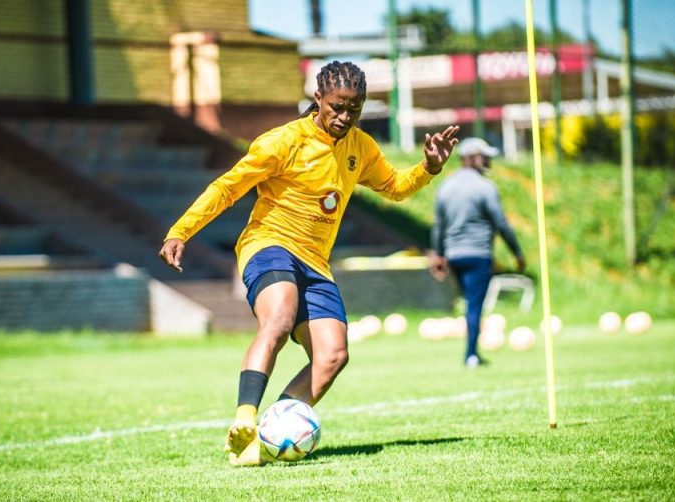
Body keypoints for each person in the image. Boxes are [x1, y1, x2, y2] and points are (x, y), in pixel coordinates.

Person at [158, 60, 459, 466]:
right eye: (337, 106)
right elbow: (228, 187)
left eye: (355, 108)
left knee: (333, 356)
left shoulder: (361, 147)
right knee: (279, 318)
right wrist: (181, 230)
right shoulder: (282, 142)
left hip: (315, 261)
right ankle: (244, 418)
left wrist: (428, 167)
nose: (345, 116)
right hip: (268, 244)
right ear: (318, 98)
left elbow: (395, 187)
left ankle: (267, 436)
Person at [429, 137, 525, 369]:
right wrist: (517, 253)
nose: (488, 161)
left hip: (453, 256)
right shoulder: (485, 187)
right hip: (478, 254)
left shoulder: (446, 186)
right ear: (472, 158)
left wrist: (439, 256)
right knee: (474, 305)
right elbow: (501, 223)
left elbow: (439, 226)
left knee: (468, 304)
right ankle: (471, 354)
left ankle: (471, 351)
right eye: (485, 156)